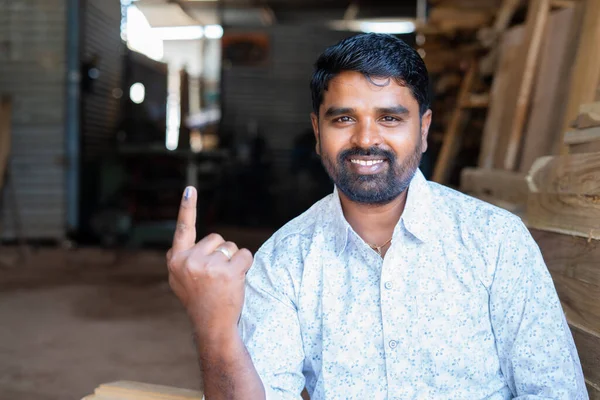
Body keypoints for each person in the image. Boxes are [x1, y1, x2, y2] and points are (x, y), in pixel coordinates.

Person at [166, 33, 587, 399]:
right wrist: (214, 326)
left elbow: (555, 392)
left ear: (423, 130)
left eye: (389, 118)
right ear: (317, 132)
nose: (366, 139)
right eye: (344, 118)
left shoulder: (495, 241)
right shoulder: (284, 262)